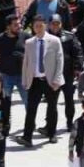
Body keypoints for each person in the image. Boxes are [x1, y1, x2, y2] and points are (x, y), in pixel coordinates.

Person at [20, 18, 63, 146]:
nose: (38, 28)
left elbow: (60, 61)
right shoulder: (29, 43)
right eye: (36, 26)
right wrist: (25, 80)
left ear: (45, 26)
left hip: (51, 80)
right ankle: (27, 137)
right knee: (31, 109)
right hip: (35, 80)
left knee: (52, 107)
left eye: (41, 25)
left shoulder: (54, 41)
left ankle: (52, 133)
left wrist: (57, 79)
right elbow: (26, 62)